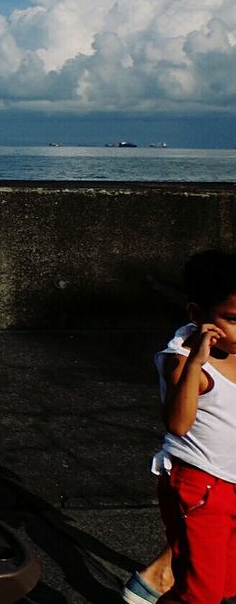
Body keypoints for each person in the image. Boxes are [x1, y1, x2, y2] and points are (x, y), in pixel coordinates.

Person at [150, 250, 236, 604]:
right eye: (232, 318)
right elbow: (177, 424)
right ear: (198, 315)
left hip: (230, 480)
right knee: (203, 593)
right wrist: (195, 361)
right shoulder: (185, 364)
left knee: (225, 582)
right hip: (200, 487)